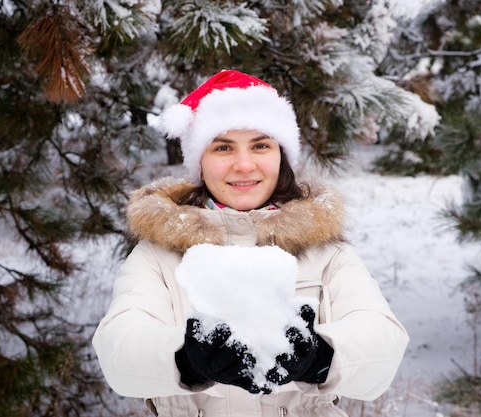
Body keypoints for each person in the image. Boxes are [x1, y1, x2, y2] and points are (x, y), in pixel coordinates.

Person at [92, 69, 409, 417]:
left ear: (281, 156)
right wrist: (186, 359)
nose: (244, 165)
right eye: (223, 147)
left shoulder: (326, 251)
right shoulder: (158, 254)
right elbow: (118, 349)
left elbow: (383, 343)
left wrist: (319, 358)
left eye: (260, 145)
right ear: (199, 160)